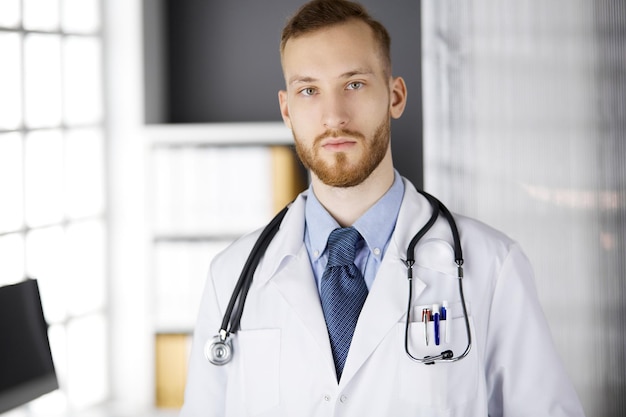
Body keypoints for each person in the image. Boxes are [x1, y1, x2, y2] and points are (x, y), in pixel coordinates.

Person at [180, 1, 586, 416]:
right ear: (287, 109)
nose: (333, 116)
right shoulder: (231, 277)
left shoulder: (492, 267)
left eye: (354, 84)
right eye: (309, 91)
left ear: (395, 96)